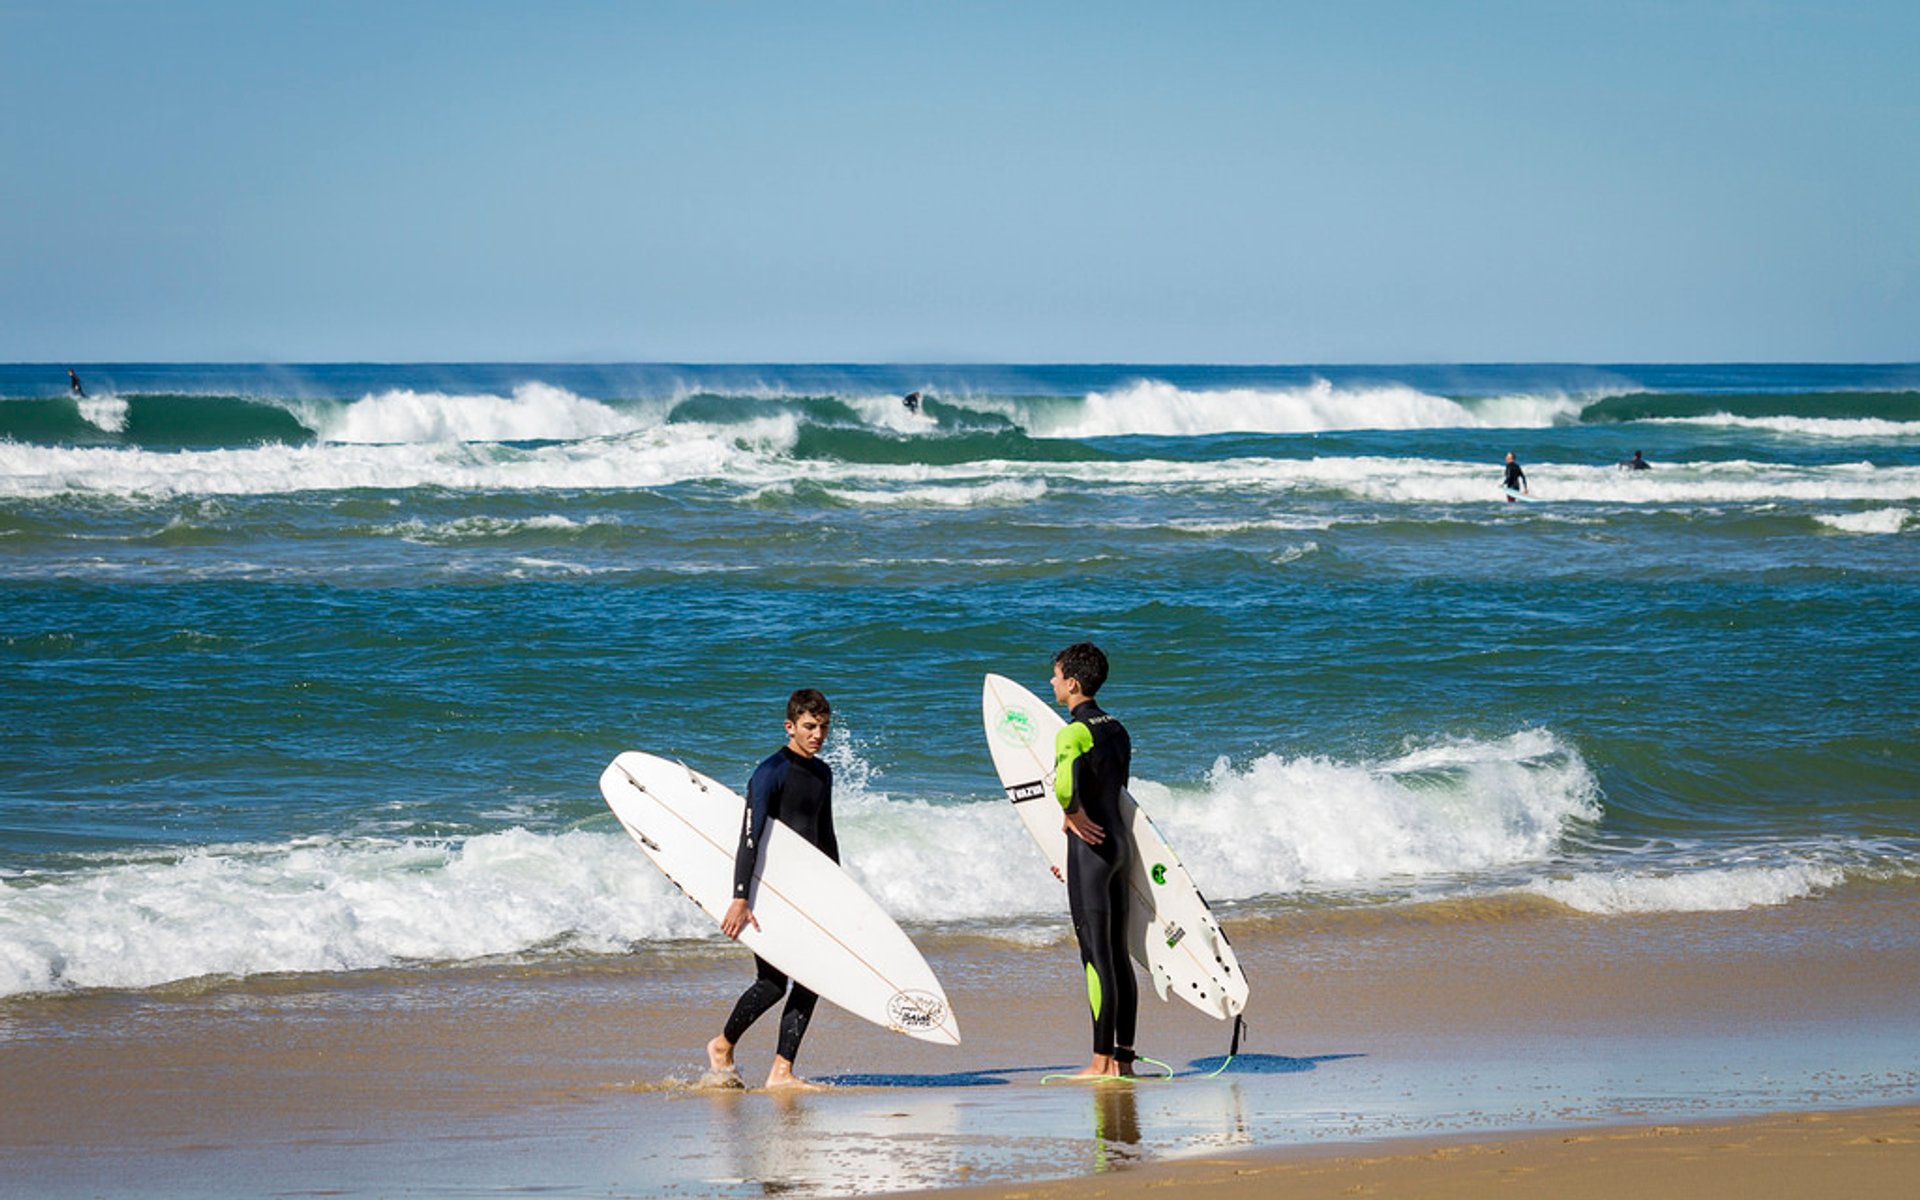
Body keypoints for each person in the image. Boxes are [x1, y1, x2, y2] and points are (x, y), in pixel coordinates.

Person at [706, 688, 838, 1090]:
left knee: (813, 979)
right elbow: (750, 837)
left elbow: (826, 836)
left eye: (824, 728)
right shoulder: (769, 773)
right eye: (810, 727)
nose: (818, 735)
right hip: (770, 893)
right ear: (790, 726)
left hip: (807, 892)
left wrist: (838, 892)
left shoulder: (823, 773)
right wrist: (741, 897)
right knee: (772, 983)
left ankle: (782, 1070)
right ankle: (722, 1046)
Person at [1049, 642, 1139, 1078]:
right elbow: (1119, 790)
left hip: (1091, 852)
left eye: (1056, 676)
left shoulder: (1072, 733)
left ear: (1073, 683)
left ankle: (1099, 1062)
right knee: (1118, 955)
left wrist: (1070, 813)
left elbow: (1064, 786)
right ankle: (1123, 1060)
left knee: (1094, 956)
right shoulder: (1119, 729)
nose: (1052, 683)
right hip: (1120, 848)